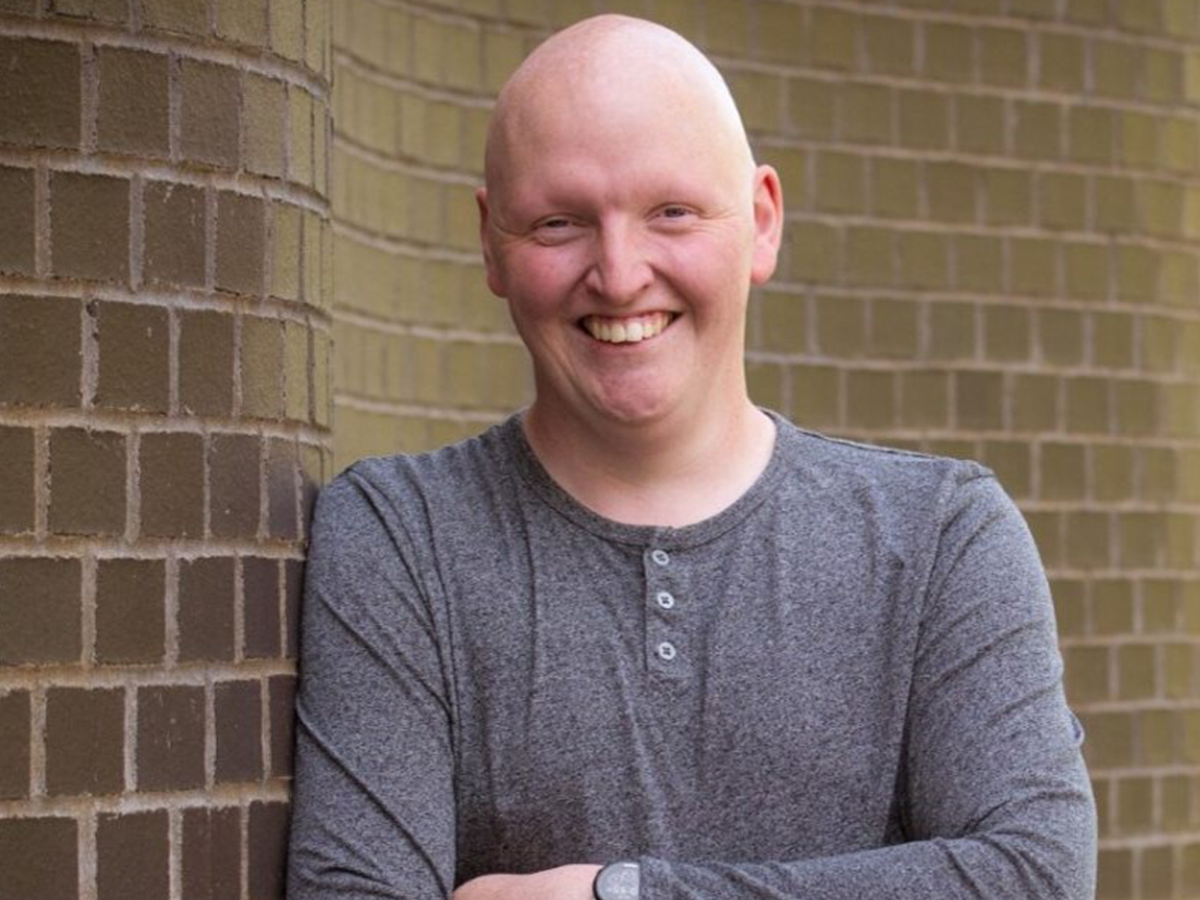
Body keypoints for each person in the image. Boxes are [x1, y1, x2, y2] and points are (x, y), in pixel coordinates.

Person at [288, 14, 1096, 900]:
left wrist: (623, 894)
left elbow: (1034, 876)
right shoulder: (403, 537)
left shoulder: (941, 536)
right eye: (560, 223)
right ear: (491, 244)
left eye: (670, 212)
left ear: (761, 221)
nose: (621, 272)